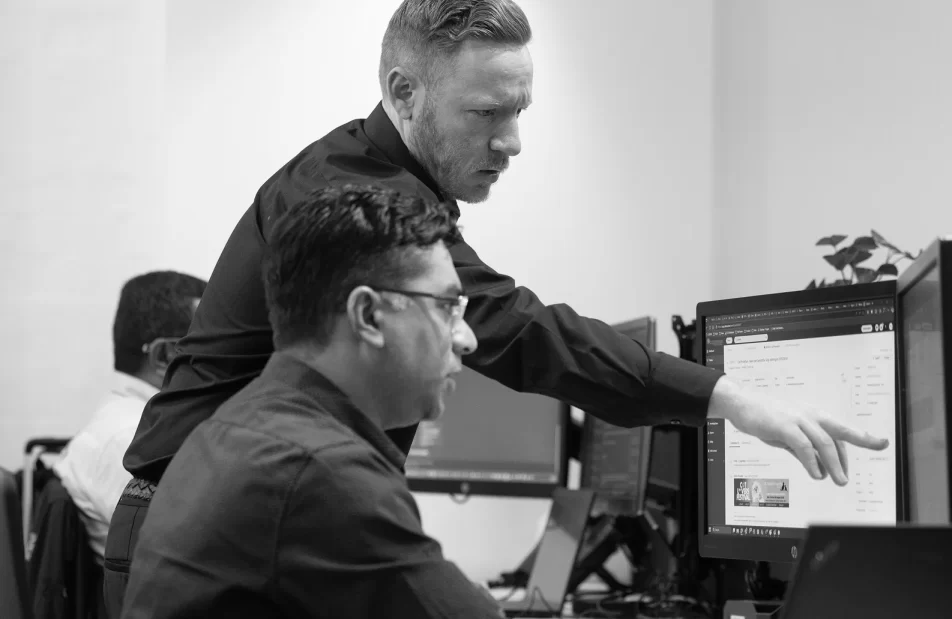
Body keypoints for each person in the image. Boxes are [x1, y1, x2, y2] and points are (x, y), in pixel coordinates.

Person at [104, 0, 889, 610]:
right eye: (487, 114)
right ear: (403, 92)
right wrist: (723, 393)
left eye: (519, 111)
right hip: (230, 525)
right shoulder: (360, 200)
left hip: (231, 519)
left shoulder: (375, 179)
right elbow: (518, 328)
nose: (512, 141)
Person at [121, 185, 506, 618]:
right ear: (368, 316)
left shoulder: (237, 427)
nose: (467, 338)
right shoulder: (322, 470)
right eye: (447, 307)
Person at [53, 271, 205, 560]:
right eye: (211, 344)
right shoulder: (133, 440)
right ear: (162, 356)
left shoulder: (129, 424)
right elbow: (191, 557)